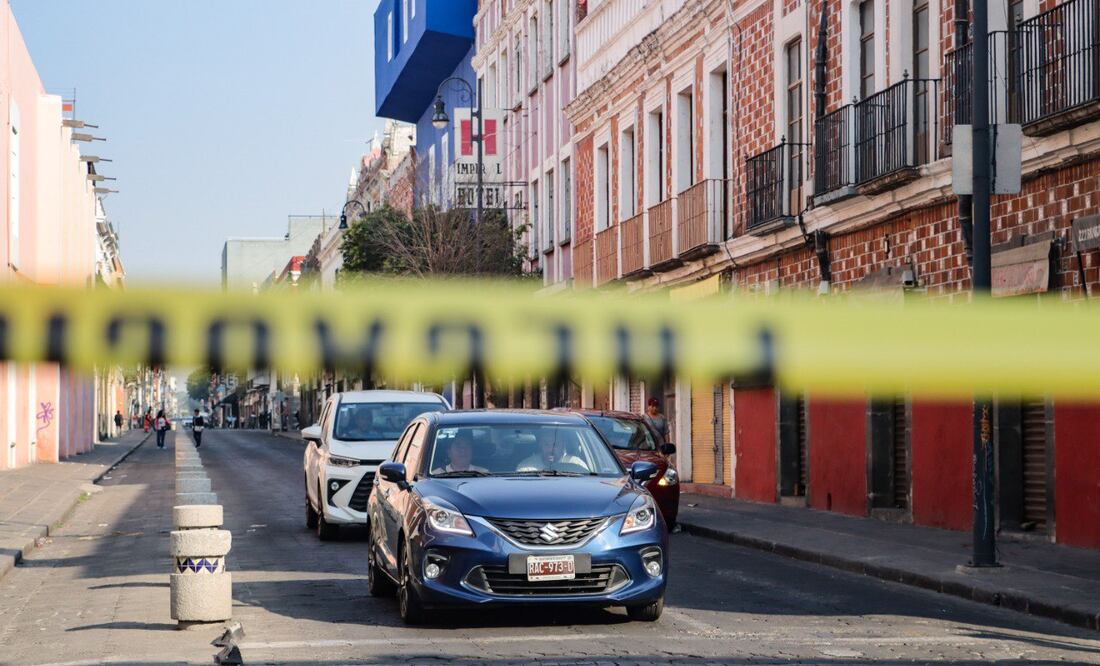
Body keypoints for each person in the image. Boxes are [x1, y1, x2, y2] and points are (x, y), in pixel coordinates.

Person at [518, 429, 587, 471]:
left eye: (555, 445)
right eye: (546, 444)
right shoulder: (527, 467)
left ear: (563, 446)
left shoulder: (577, 465)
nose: (551, 449)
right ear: (540, 445)